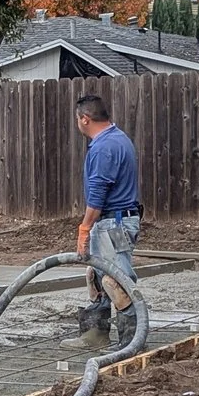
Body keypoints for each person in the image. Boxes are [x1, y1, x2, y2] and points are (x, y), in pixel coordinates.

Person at [74, 94, 142, 345]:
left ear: (85, 118)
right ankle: (96, 335)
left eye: (77, 120)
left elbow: (98, 193)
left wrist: (85, 226)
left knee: (116, 281)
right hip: (114, 221)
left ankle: (131, 342)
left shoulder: (105, 147)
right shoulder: (117, 139)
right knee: (97, 276)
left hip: (114, 223)